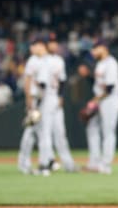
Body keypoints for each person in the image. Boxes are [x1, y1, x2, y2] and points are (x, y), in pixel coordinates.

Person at [78, 39, 118, 174]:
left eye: (95, 48)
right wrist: (88, 76)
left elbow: (109, 88)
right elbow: (98, 84)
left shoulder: (111, 63)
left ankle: (105, 165)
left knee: (108, 132)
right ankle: (94, 163)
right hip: (100, 100)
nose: (93, 52)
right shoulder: (100, 64)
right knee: (92, 127)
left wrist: (94, 101)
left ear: (103, 48)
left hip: (110, 100)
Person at [45, 37, 78, 172]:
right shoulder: (41, 60)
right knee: (44, 133)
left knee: (60, 132)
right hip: (44, 98)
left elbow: (62, 81)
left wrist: (61, 96)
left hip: (55, 97)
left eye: (55, 43)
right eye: (51, 43)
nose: (54, 45)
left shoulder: (59, 60)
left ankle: (68, 163)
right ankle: (48, 161)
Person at [17, 39, 47, 175]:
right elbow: (27, 82)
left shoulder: (43, 61)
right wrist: (29, 103)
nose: (32, 49)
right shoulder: (33, 61)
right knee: (30, 132)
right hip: (35, 100)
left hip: (42, 101)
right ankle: (24, 163)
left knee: (38, 133)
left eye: (34, 46)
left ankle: (42, 164)